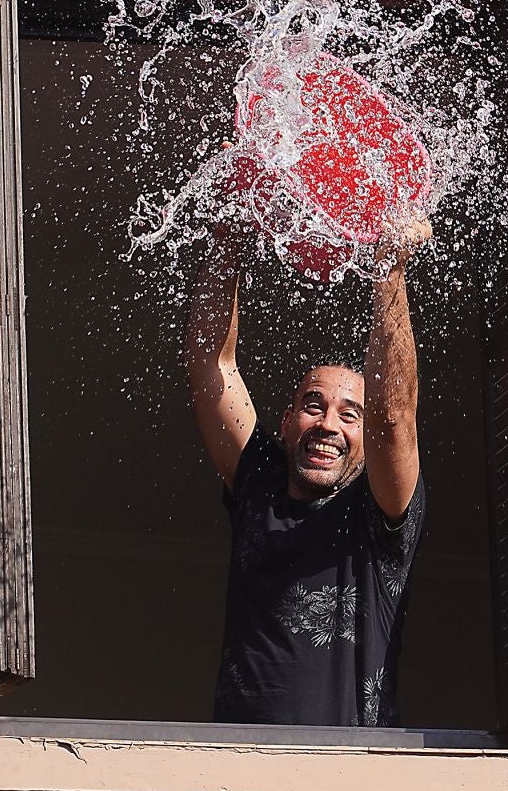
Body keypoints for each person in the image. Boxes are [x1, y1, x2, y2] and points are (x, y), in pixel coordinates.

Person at [185, 215, 432, 727]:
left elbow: (394, 418)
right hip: (234, 780)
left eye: (349, 414)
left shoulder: (379, 514)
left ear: (364, 442)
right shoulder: (260, 485)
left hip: (352, 786)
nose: (327, 425)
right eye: (313, 405)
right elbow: (212, 366)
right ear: (285, 422)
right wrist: (228, 238)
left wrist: (389, 267)